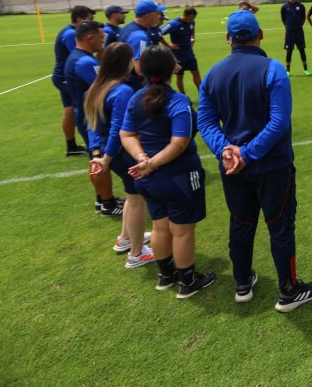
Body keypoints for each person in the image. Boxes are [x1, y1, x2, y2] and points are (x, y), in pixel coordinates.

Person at [197, 10, 312, 311]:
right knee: (280, 225)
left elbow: (206, 122)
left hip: (232, 168)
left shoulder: (212, 74)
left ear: (227, 38)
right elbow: (279, 122)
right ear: (260, 34)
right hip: (272, 166)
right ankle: (288, 290)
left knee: (241, 222)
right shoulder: (273, 69)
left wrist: (227, 150)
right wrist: (247, 153)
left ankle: (242, 283)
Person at [120, 45, 214, 299]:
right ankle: (188, 280)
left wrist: (143, 158)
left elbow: (126, 134)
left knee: (160, 226)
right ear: (171, 67)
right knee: (182, 229)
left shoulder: (135, 97)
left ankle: (166, 275)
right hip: (177, 176)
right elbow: (179, 143)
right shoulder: (177, 100)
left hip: (148, 179)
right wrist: (151, 162)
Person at [86, 42, 154, 267]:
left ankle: (126, 239)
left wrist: (98, 153)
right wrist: (106, 158)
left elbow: (92, 126)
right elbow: (120, 129)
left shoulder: (97, 87)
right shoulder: (122, 91)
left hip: (110, 153)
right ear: (125, 63)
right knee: (136, 200)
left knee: (131, 196)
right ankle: (136, 253)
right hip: (120, 154)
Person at [65, 20, 123, 216]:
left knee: (96, 158)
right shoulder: (85, 62)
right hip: (91, 118)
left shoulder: (78, 57)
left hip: (87, 115)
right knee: (99, 159)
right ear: (90, 38)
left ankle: (102, 199)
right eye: (100, 37)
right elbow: (104, 86)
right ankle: (107, 203)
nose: (103, 41)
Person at [52, 5, 96, 156]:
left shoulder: (70, 31)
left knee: (70, 110)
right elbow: (82, 54)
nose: (91, 23)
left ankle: (71, 146)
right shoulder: (71, 34)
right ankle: (88, 144)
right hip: (65, 78)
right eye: (89, 19)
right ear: (79, 19)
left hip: (64, 77)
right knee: (78, 109)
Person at [118, 0, 167, 90]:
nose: (159, 16)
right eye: (157, 13)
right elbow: (140, 69)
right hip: (136, 86)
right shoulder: (140, 37)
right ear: (149, 16)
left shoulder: (130, 27)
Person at [160, 7, 201, 95]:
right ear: (184, 15)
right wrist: (168, 45)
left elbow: (192, 31)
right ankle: (184, 96)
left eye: (193, 19)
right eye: (190, 18)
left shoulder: (192, 22)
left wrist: (193, 39)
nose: (192, 20)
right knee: (180, 77)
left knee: (196, 73)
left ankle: (202, 95)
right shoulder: (174, 24)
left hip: (189, 53)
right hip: (178, 55)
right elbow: (159, 33)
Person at [280, 0, 311, 76]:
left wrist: (299, 26)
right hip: (289, 31)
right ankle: (287, 70)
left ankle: (306, 69)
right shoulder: (284, 7)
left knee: (301, 49)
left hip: (299, 31)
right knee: (289, 51)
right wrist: (287, 27)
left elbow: (303, 18)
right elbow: (283, 19)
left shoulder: (301, 6)